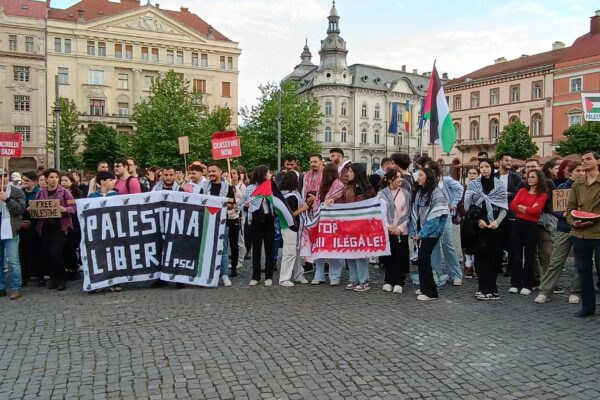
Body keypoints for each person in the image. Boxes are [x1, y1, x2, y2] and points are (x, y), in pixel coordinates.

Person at [535, 161, 584, 304]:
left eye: (582, 171)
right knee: (556, 261)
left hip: (582, 228)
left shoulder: (587, 188)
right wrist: (564, 215)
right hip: (564, 228)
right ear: (570, 172)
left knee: (580, 261)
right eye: (578, 170)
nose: (581, 173)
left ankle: (575, 291)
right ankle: (545, 291)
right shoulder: (562, 188)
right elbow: (555, 210)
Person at [464, 158, 508, 301]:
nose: (484, 169)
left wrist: (497, 221)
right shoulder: (474, 185)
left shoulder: (499, 185)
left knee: (494, 257)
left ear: (492, 167)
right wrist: (478, 220)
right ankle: (483, 288)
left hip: (495, 225)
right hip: (479, 225)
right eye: (481, 167)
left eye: (486, 166)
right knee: (481, 258)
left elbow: (504, 208)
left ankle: (492, 288)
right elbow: (467, 205)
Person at [566, 150, 600, 317]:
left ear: (597, 161)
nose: (584, 162)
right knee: (583, 271)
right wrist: (574, 222)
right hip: (580, 234)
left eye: (588, 159)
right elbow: (570, 208)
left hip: (599, 234)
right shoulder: (577, 184)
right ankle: (588, 307)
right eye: (583, 160)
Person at [35, 169, 76, 291]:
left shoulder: (64, 192)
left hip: (60, 226)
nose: (54, 179)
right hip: (46, 226)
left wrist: (65, 210)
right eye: (51, 177)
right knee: (48, 253)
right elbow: (36, 207)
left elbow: (74, 207)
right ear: (46, 179)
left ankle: (62, 278)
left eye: (56, 177)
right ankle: (53, 278)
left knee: (55, 252)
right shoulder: (40, 193)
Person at [410, 168, 448, 301]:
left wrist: (421, 234)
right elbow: (415, 213)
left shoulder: (437, 194)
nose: (418, 178)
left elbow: (434, 218)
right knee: (421, 259)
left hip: (431, 233)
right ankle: (424, 286)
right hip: (421, 231)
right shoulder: (420, 192)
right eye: (418, 175)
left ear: (429, 178)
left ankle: (431, 292)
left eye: (421, 175)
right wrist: (413, 231)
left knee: (423, 258)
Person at [509, 170, 548, 296]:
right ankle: (515, 283)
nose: (529, 179)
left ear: (539, 179)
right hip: (518, 224)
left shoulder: (542, 194)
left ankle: (528, 284)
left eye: (532, 177)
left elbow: (536, 210)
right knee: (516, 255)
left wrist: (523, 208)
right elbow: (513, 205)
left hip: (531, 226)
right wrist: (526, 209)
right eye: (528, 177)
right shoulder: (522, 191)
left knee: (529, 256)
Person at [425, 161, 464, 286]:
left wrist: (453, 203)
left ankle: (456, 274)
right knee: (434, 244)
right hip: (432, 215)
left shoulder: (445, 180)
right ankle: (436, 272)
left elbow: (460, 189)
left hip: (445, 214)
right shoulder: (427, 184)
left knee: (448, 243)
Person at [341, 163, 376, 291]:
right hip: (348, 225)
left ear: (357, 173)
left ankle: (364, 280)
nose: (348, 174)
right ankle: (353, 279)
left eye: (350, 171)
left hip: (361, 226)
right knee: (349, 253)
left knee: (360, 254)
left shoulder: (366, 190)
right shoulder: (347, 188)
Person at [200, 163, 236, 287]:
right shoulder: (204, 187)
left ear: (220, 172)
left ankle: (224, 274)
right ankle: (207, 275)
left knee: (223, 249)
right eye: (209, 171)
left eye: (213, 171)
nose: (211, 173)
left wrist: (220, 203)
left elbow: (232, 204)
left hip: (222, 222)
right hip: (207, 222)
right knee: (207, 248)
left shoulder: (228, 187)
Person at [242, 166, 276, 286]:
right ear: (262, 174)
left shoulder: (272, 186)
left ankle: (269, 276)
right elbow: (243, 202)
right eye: (268, 173)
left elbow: (277, 201)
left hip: (269, 219)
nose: (270, 174)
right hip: (256, 219)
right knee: (256, 248)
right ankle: (255, 276)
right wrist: (247, 204)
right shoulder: (251, 187)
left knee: (269, 248)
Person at [378, 169, 411, 294]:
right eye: (396, 177)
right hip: (388, 229)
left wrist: (400, 228)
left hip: (402, 230)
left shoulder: (406, 193)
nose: (399, 179)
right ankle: (388, 280)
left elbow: (407, 212)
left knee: (400, 256)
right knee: (388, 256)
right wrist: (388, 226)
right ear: (389, 179)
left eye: (400, 177)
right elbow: (380, 213)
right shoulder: (381, 194)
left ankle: (399, 281)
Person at [312, 163, 345, 285]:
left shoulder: (339, 185)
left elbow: (340, 201)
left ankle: (335, 276)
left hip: (334, 221)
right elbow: (317, 200)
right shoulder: (321, 185)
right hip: (320, 220)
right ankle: (319, 274)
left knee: (334, 248)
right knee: (318, 248)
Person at [278, 171, 309, 286]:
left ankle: (298, 274)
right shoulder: (292, 196)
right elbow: (291, 214)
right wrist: (303, 208)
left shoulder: (285, 194)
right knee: (290, 253)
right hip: (291, 226)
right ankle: (284, 278)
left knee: (295, 252)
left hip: (290, 226)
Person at [495, 153, 523, 276]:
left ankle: (511, 268)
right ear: (500, 162)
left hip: (510, 213)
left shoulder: (516, 177)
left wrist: (509, 194)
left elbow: (519, 193)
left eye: (511, 161)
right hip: (496, 212)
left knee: (512, 240)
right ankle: (497, 266)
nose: (509, 163)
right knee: (496, 240)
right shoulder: (493, 176)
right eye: (506, 160)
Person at [0, 172, 26, 300]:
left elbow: (20, 209)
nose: (2, 179)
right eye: (0, 177)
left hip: (11, 230)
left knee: (13, 261)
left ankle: (15, 287)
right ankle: (1, 287)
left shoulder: (16, 192)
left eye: (5, 176)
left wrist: (8, 199)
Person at [18, 171, 42, 286]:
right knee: (22, 253)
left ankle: (39, 275)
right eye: (23, 180)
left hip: (36, 225)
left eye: (27, 180)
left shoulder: (39, 193)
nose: (24, 182)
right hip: (21, 225)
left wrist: (32, 223)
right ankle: (23, 277)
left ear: (34, 182)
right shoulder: (19, 193)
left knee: (38, 252)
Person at [60, 172, 84, 281]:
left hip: (75, 223)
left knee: (72, 246)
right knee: (64, 246)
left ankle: (74, 269)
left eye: (66, 180)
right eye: (62, 181)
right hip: (63, 222)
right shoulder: (59, 193)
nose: (63, 183)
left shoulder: (78, 193)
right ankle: (66, 269)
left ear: (71, 181)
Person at [461, 167, 480, 278]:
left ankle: (477, 267)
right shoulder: (463, 187)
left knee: (476, 243)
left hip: (476, 219)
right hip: (465, 219)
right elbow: (459, 202)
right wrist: (462, 214)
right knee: (465, 243)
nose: (472, 175)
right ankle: (467, 268)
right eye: (470, 173)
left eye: (474, 173)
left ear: (478, 175)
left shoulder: (480, 188)